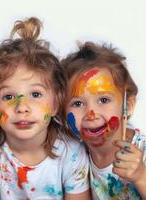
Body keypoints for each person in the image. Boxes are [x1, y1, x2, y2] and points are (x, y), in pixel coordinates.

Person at [0, 17, 90, 200]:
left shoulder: (72, 154)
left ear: (55, 103)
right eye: (8, 97)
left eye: (35, 95)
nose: (22, 108)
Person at [61, 41, 146, 199]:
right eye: (78, 103)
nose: (91, 114)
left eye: (103, 100)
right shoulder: (75, 154)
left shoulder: (142, 150)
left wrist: (141, 175)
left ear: (127, 105)